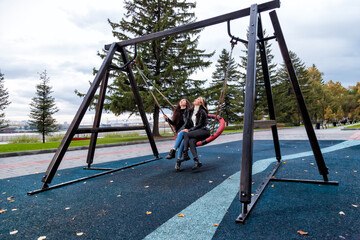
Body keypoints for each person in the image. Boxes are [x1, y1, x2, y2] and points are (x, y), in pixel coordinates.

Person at [179, 97, 210, 170]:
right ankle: (197, 162)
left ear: (201, 103)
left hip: (204, 130)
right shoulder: (193, 111)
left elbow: (200, 125)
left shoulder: (202, 111)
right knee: (191, 141)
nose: (195, 99)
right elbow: (186, 113)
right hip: (197, 132)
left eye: (198, 99)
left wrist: (189, 130)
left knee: (186, 134)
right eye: (196, 98)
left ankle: (185, 154)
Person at [164, 99, 193, 170]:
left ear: (186, 103)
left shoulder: (189, 111)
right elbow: (174, 123)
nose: (181, 101)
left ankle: (173, 151)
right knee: (181, 144)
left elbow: (188, 122)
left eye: (183, 100)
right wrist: (167, 119)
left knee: (182, 141)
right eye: (180, 100)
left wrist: (182, 130)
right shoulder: (177, 112)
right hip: (180, 131)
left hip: (188, 129)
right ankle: (178, 160)